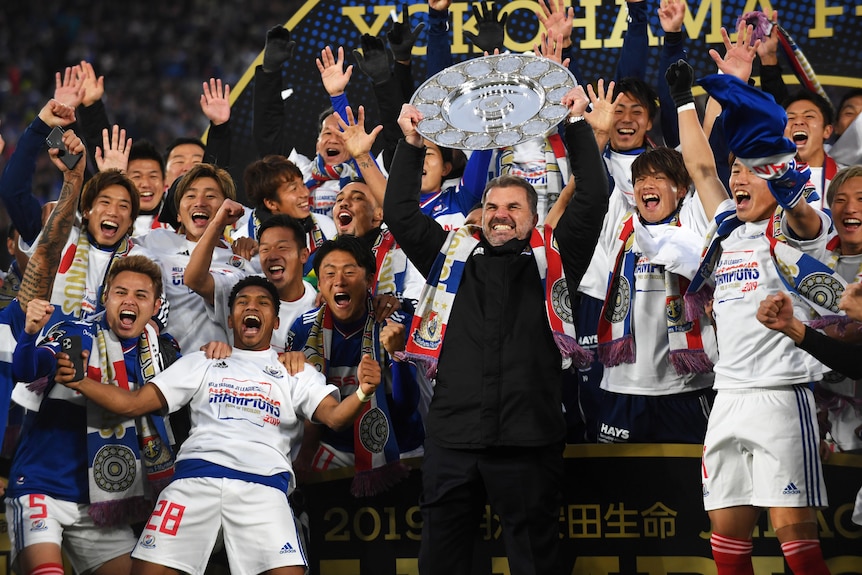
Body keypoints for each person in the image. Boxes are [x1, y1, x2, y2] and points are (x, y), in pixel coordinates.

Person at [385, 86, 607, 575]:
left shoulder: (558, 261)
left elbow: (593, 197)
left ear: (533, 218)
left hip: (528, 442)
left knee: (536, 564)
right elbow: (399, 213)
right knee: (441, 563)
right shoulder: (447, 259)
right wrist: (410, 143)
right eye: (492, 206)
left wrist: (574, 127)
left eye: (513, 207)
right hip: (453, 441)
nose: (500, 214)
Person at [55, 275, 381, 575]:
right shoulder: (203, 360)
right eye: (242, 302)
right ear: (230, 320)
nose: (251, 307)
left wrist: (364, 391)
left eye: (263, 303)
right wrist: (81, 382)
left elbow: (336, 417)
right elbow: (133, 403)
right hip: (195, 481)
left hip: (264, 488)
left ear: (276, 321)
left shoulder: (295, 370)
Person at [679, 28, 833, 574]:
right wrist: (692, 99)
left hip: (781, 397)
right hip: (727, 398)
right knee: (727, 549)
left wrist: (774, 164)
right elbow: (699, 166)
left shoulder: (799, 228)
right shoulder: (727, 227)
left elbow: (806, 214)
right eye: (736, 170)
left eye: (749, 170)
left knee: (800, 549)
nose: (737, 178)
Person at [9, 255, 179, 575]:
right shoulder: (75, 333)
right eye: (120, 292)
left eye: (140, 295)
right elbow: (26, 369)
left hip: (101, 506)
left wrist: (219, 351)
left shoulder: (164, 354)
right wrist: (30, 335)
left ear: (155, 306)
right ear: (105, 297)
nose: (129, 300)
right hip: (42, 488)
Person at [287, 236, 423, 494]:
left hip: (400, 447)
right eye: (329, 273)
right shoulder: (303, 329)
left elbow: (407, 406)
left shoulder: (395, 323)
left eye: (349, 271)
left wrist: (398, 356)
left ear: (370, 280)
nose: (339, 280)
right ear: (321, 284)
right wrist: (305, 455)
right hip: (334, 448)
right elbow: (307, 405)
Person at [133, 162, 253, 352]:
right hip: (158, 368)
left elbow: (195, 280)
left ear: (227, 208)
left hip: (210, 367)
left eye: (211, 196)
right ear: (178, 214)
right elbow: (111, 246)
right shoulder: (155, 240)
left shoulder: (239, 261)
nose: (200, 202)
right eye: (190, 195)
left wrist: (218, 226)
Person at [185, 199, 317, 353]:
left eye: (282, 248)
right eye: (265, 249)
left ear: (303, 255)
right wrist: (217, 224)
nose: (272, 256)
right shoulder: (242, 290)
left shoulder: (319, 305)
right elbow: (194, 280)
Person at [230, 154, 337, 276]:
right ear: (271, 203)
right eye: (294, 189)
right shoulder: (243, 248)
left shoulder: (327, 227)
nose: (305, 193)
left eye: (302, 184)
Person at [782, 89, 839, 205]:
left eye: (809, 116)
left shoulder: (846, 178)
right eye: (791, 118)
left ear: (827, 131)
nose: (798, 122)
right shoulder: (765, 179)